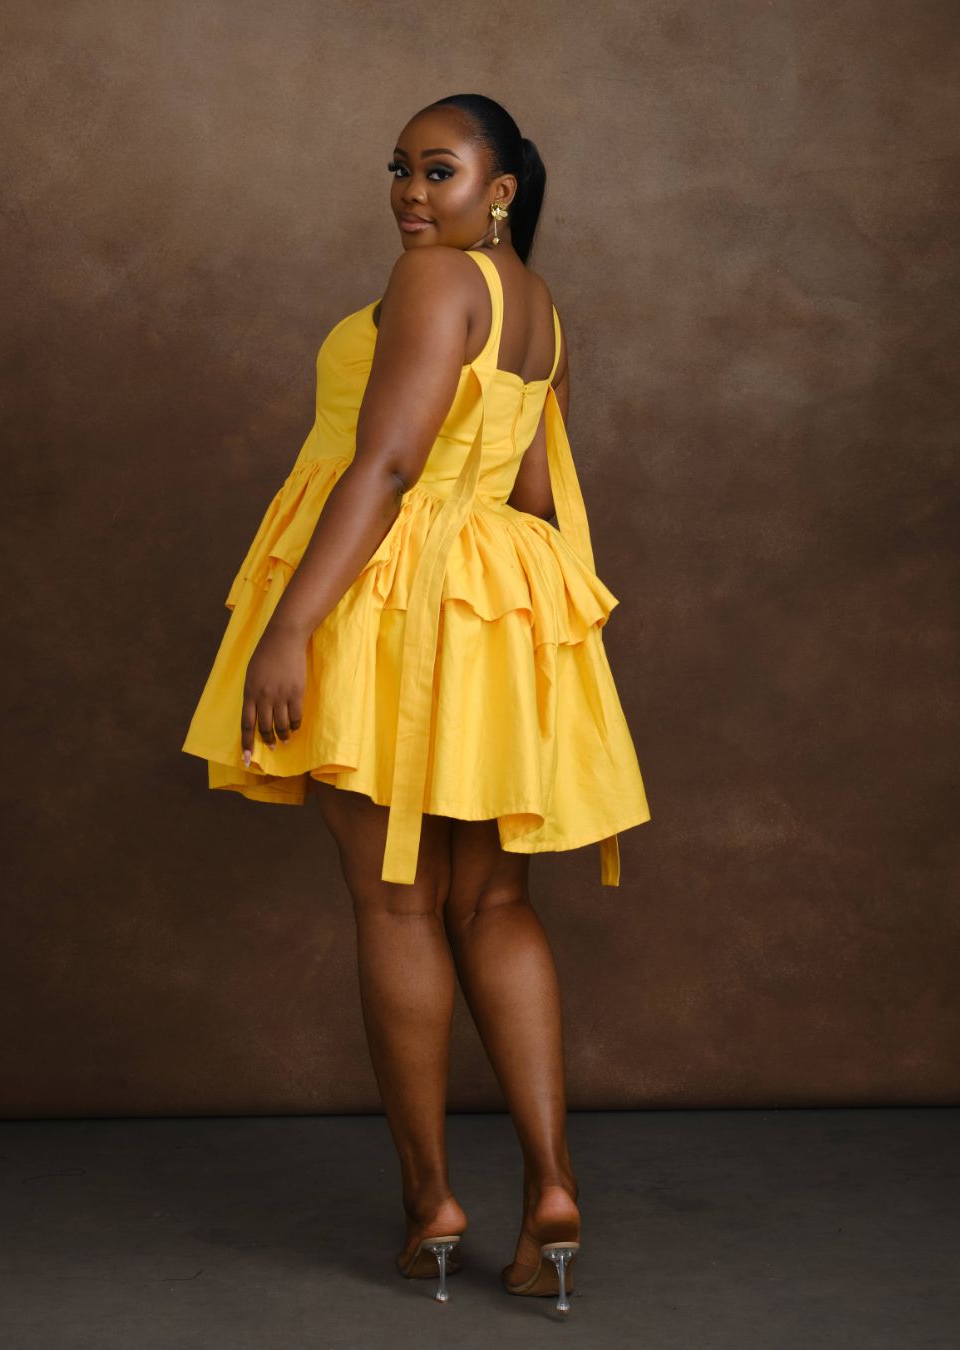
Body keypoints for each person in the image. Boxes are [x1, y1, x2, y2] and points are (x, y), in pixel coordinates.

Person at [181, 93, 650, 1311]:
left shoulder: (438, 279)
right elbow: (535, 489)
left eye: (438, 171)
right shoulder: (539, 308)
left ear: (500, 190)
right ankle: (553, 1190)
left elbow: (388, 463)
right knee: (494, 902)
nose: (408, 192)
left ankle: (431, 1203)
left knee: (397, 901)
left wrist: (293, 626)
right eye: (398, 169)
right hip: (492, 604)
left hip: (388, 599)